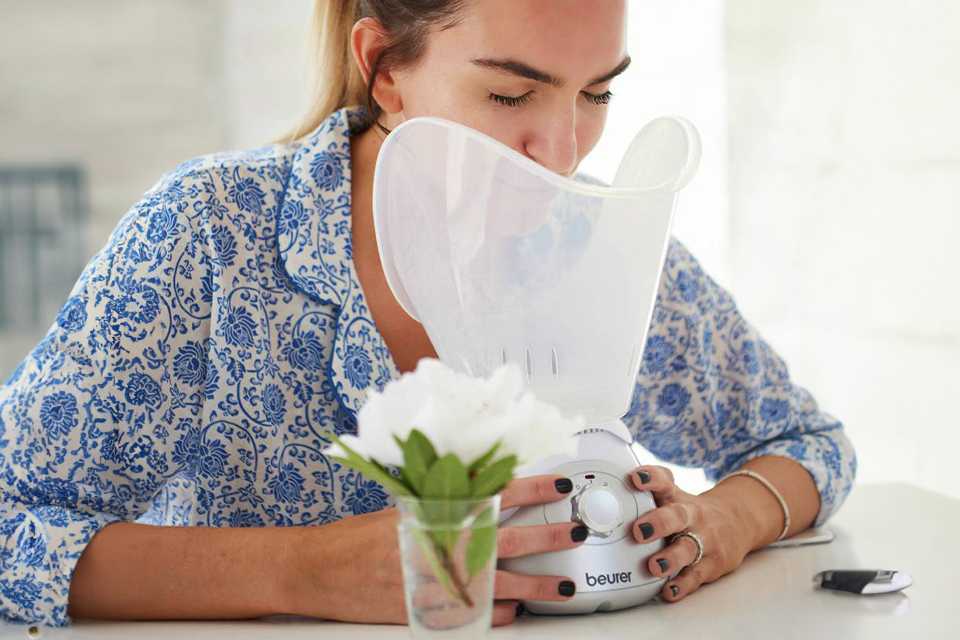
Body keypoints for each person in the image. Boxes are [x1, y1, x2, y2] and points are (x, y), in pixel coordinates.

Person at [0, 0, 855, 628]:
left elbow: (804, 443)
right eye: (511, 98)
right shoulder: (210, 232)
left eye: (597, 95)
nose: (561, 153)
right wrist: (306, 571)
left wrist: (718, 522)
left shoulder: (597, 242)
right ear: (384, 68)